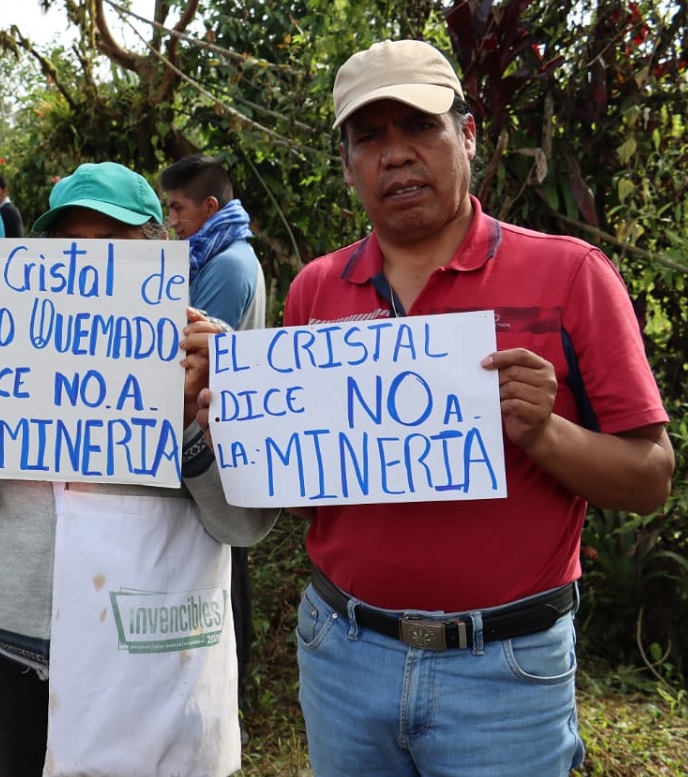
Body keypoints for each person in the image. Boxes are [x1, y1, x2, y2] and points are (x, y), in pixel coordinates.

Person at [197, 39, 675, 777]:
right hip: (342, 654)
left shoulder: (571, 274)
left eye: (419, 127)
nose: (396, 155)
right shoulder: (316, 291)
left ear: (468, 135)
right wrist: (233, 414)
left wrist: (545, 433)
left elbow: (650, 480)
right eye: (370, 137)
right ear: (349, 160)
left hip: (506, 672)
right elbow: (306, 496)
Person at [0, 161, 278, 777]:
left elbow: (246, 524)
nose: (89, 260)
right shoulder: (5, 336)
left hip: (145, 653)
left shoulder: (213, 354)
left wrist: (191, 426)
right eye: (69, 244)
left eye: (113, 241)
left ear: (159, 245)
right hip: (12, 633)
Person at [159, 154, 267, 720]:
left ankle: (230, 694)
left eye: (177, 208)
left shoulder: (226, 266)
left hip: (215, 442)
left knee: (226, 570)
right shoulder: (222, 253)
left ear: (209, 207)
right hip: (212, 439)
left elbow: (190, 357)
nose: (171, 219)